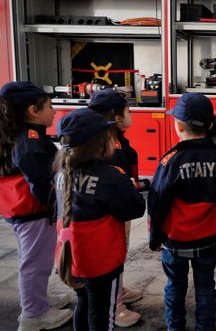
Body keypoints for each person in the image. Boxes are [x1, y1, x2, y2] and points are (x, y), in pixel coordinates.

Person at [148, 93, 216, 331]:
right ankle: (205, 327)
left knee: (174, 287)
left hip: (174, 242)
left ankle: (174, 328)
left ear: (177, 125)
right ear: (210, 125)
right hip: (208, 241)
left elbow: (156, 205)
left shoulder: (169, 162)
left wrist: (154, 238)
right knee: (206, 287)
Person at [54, 108, 146, 330]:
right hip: (101, 262)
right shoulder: (111, 176)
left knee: (83, 303)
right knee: (103, 315)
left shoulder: (59, 172)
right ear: (99, 143)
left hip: (69, 258)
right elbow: (134, 209)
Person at [0, 81, 73, 331]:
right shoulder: (29, 139)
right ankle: (33, 315)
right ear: (33, 110)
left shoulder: (25, 134)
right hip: (32, 211)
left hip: (27, 210)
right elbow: (40, 180)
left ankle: (38, 301)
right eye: (50, 106)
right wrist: (56, 205)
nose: (54, 111)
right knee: (35, 263)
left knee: (35, 259)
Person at [88, 88, 147, 327]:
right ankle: (116, 306)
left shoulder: (113, 137)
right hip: (112, 212)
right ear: (115, 115)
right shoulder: (109, 144)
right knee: (113, 256)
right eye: (127, 110)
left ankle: (118, 290)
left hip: (118, 208)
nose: (130, 114)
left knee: (119, 253)